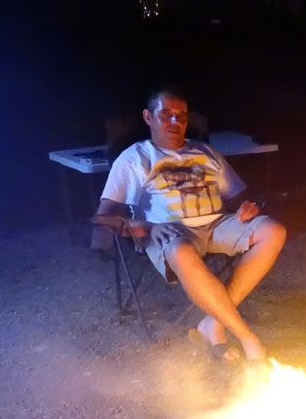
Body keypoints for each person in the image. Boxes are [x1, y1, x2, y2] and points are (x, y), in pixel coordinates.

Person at [94, 88, 286, 362]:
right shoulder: (134, 158)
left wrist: (249, 205)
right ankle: (247, 337)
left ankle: (213, 322)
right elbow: (104, 220)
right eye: (166, 115)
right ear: (148, 117)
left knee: (273, 231)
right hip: (168, 231)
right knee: (182, 251)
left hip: (217, 223)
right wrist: (148, 228)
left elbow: (239, 196)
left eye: (181, 115)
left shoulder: (205, 152)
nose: (175, 121)